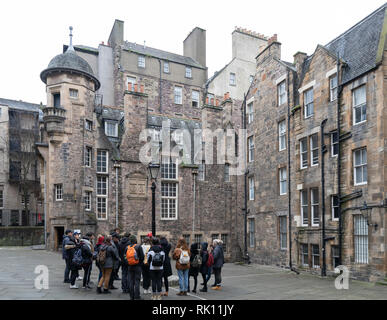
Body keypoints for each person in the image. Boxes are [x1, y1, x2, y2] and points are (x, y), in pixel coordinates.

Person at [127, 235, 144, 300]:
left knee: (131, 281)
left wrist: (129, 263)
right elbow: (142, 257)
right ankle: (137, 296)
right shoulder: (138, 247)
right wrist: (139, 263)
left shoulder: (127, 247)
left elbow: (125, 257)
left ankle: (131, 296)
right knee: (137, 281)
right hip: (137, 266)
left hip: (130, 266)